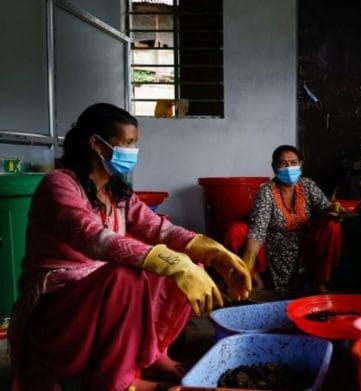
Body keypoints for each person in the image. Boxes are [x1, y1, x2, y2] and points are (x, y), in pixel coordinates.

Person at [9, 103, 252, 391]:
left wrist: (215, 254)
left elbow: (160, 229)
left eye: (135, 144)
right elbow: (94, 238)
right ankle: (115, 381)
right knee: (126, 276)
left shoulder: (116, 192)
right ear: (96, 144)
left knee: (183, 263)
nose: (132, 151)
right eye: (126, 143)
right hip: (56, 309)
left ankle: (151, 355)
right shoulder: (59, 185)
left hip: (102, 298)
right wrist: (171, 263)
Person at [225, 145, 343, 292]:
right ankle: (256, 282)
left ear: (301, 164)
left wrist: (333, 210)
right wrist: (245, 270)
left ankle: (320, 282)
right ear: (275, 167)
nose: (289, 167)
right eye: (283, 163)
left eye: (294, 163)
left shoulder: (307, 185)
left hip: (305, 245)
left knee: (332, 225)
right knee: (235, 230)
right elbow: (257, 233)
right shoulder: (266, 192)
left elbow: (325, 209)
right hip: (273, 247)